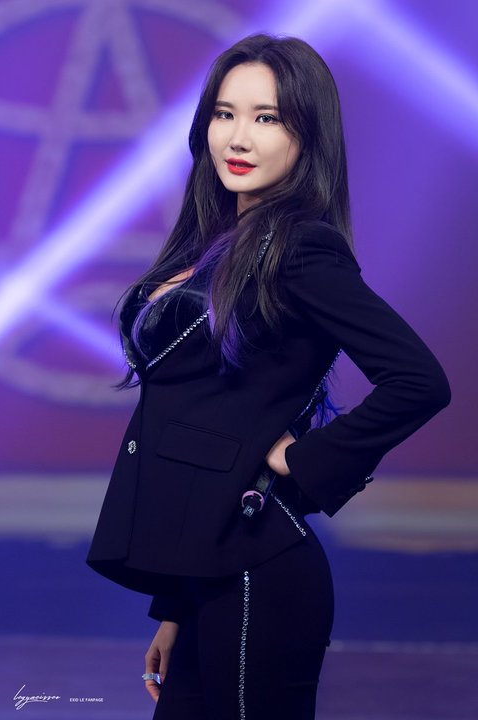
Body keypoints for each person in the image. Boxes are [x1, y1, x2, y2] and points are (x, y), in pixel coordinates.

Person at [86, 33, 451, 720]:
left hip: (260, 570)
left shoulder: (302, 250)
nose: (238, 137)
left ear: (306, 137)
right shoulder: (209, 245)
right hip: (204, 575)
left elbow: (418, 380)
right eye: (224, 113)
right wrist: (174, 606)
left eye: (267, 117)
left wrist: (305, 460)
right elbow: (202, 414)